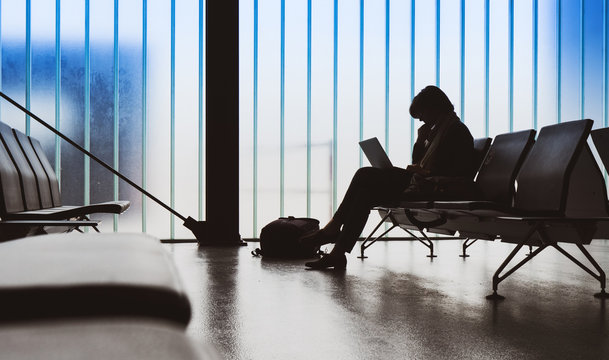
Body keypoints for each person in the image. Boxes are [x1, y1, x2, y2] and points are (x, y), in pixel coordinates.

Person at [302, 85, 475, 270]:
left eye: (422, 114)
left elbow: (455, 172)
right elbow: (419, 162)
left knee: (364, 174)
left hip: (435, 188)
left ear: (434, 107)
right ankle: (338, 253)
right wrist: (420, 142)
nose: (421, 120)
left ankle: (333, 228)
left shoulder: (456, 131)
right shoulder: (438, 131)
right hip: (423, 184)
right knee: (364, 194)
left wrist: (423, 171)